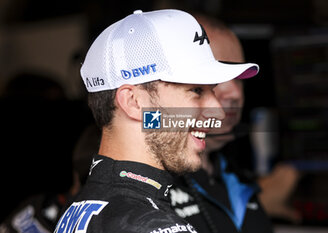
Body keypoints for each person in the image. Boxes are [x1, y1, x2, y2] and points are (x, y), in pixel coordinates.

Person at [54, 9, 259, 233]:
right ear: (133, 101)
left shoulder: (77, 210)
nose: (217, 112)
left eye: (213, 91)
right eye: (197, 90)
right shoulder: (155, 226)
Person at [169, 15, 275, 233]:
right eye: (217, 74)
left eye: (239, 78)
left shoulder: (235, 176)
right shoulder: (140, 186)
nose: (235, 93)